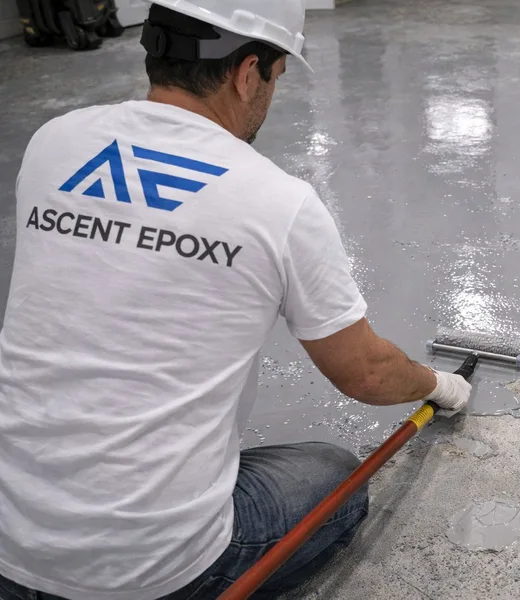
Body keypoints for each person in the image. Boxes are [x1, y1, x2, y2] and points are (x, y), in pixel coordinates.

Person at [0, 1, 472, 598]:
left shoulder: (54, 142)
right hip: (150, 572)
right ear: (248, 72)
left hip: (9, 540)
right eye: (276, 77)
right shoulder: (275, 201)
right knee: (331, 476)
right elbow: (366, 375)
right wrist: (439, 386)